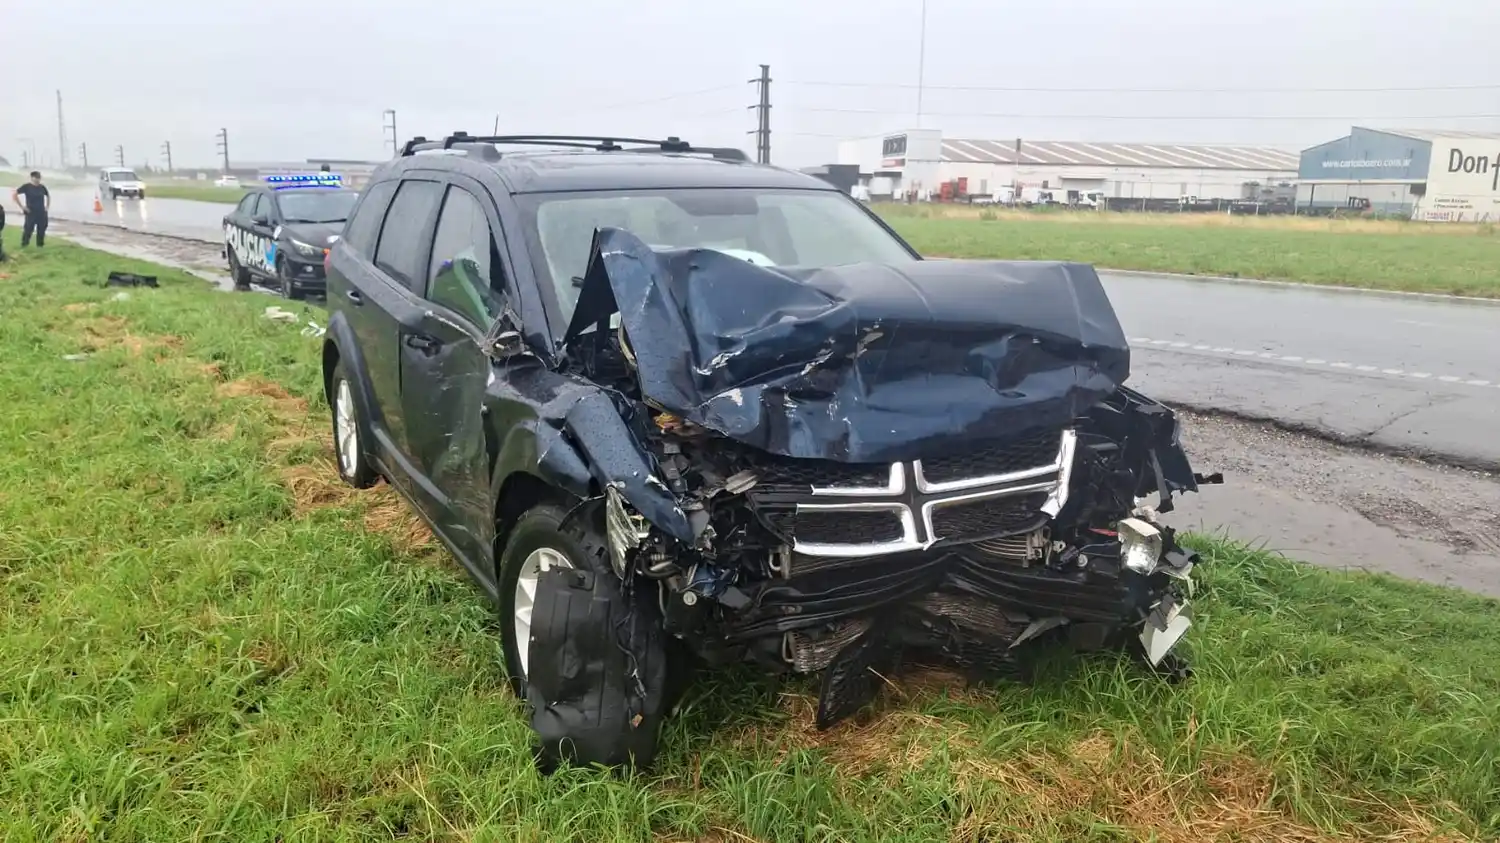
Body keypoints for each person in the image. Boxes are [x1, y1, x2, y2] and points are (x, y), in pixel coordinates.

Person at [13, 171, 50, 248]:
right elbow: (14, 194)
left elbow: (48, 196)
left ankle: (40, 246)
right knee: (28, 229)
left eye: (39, 178)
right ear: (32, 178)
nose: (37, 180)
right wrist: (22, 206)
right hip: (30, 211)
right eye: (36, 178)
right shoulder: (27, 187)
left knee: (41, 229)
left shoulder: (42, 187)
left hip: (41, 212)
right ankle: (24, 245)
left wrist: (47, 207)